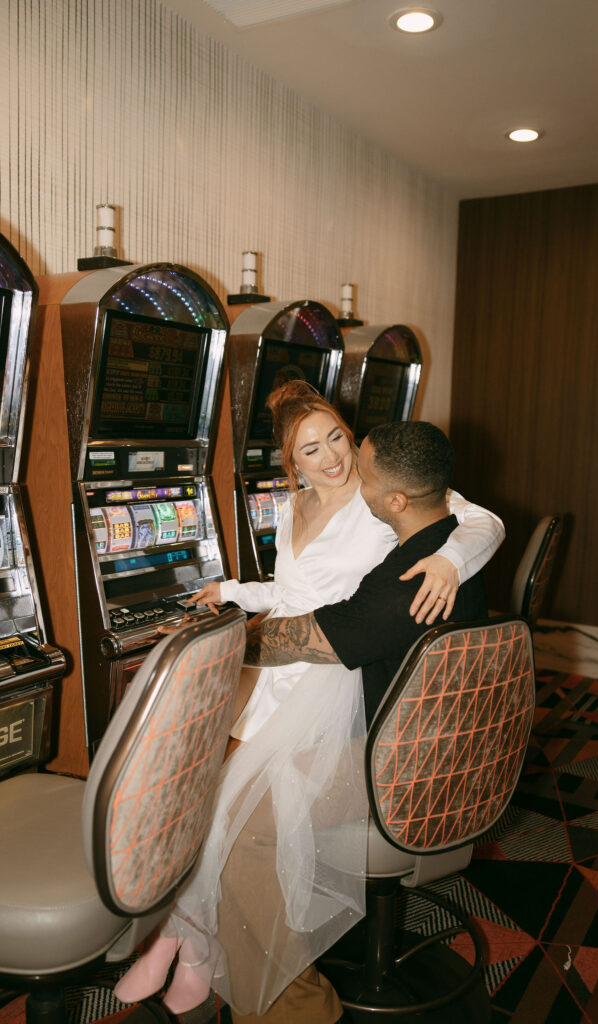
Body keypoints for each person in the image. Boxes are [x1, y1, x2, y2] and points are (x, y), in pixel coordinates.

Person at [113, 384, 502, 1020]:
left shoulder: (409, 565)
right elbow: (294, 592)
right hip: (386, 711)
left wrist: (207, 646)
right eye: (311, 449)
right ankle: (190, 940)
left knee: (239, 825)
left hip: (366, 719)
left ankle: (279, 996)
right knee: (202, 793)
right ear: (290, 465)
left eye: (343, 444)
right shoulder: (384, 527)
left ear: (390, 496)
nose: (337, 462)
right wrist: (234, 594)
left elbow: (481, 520)